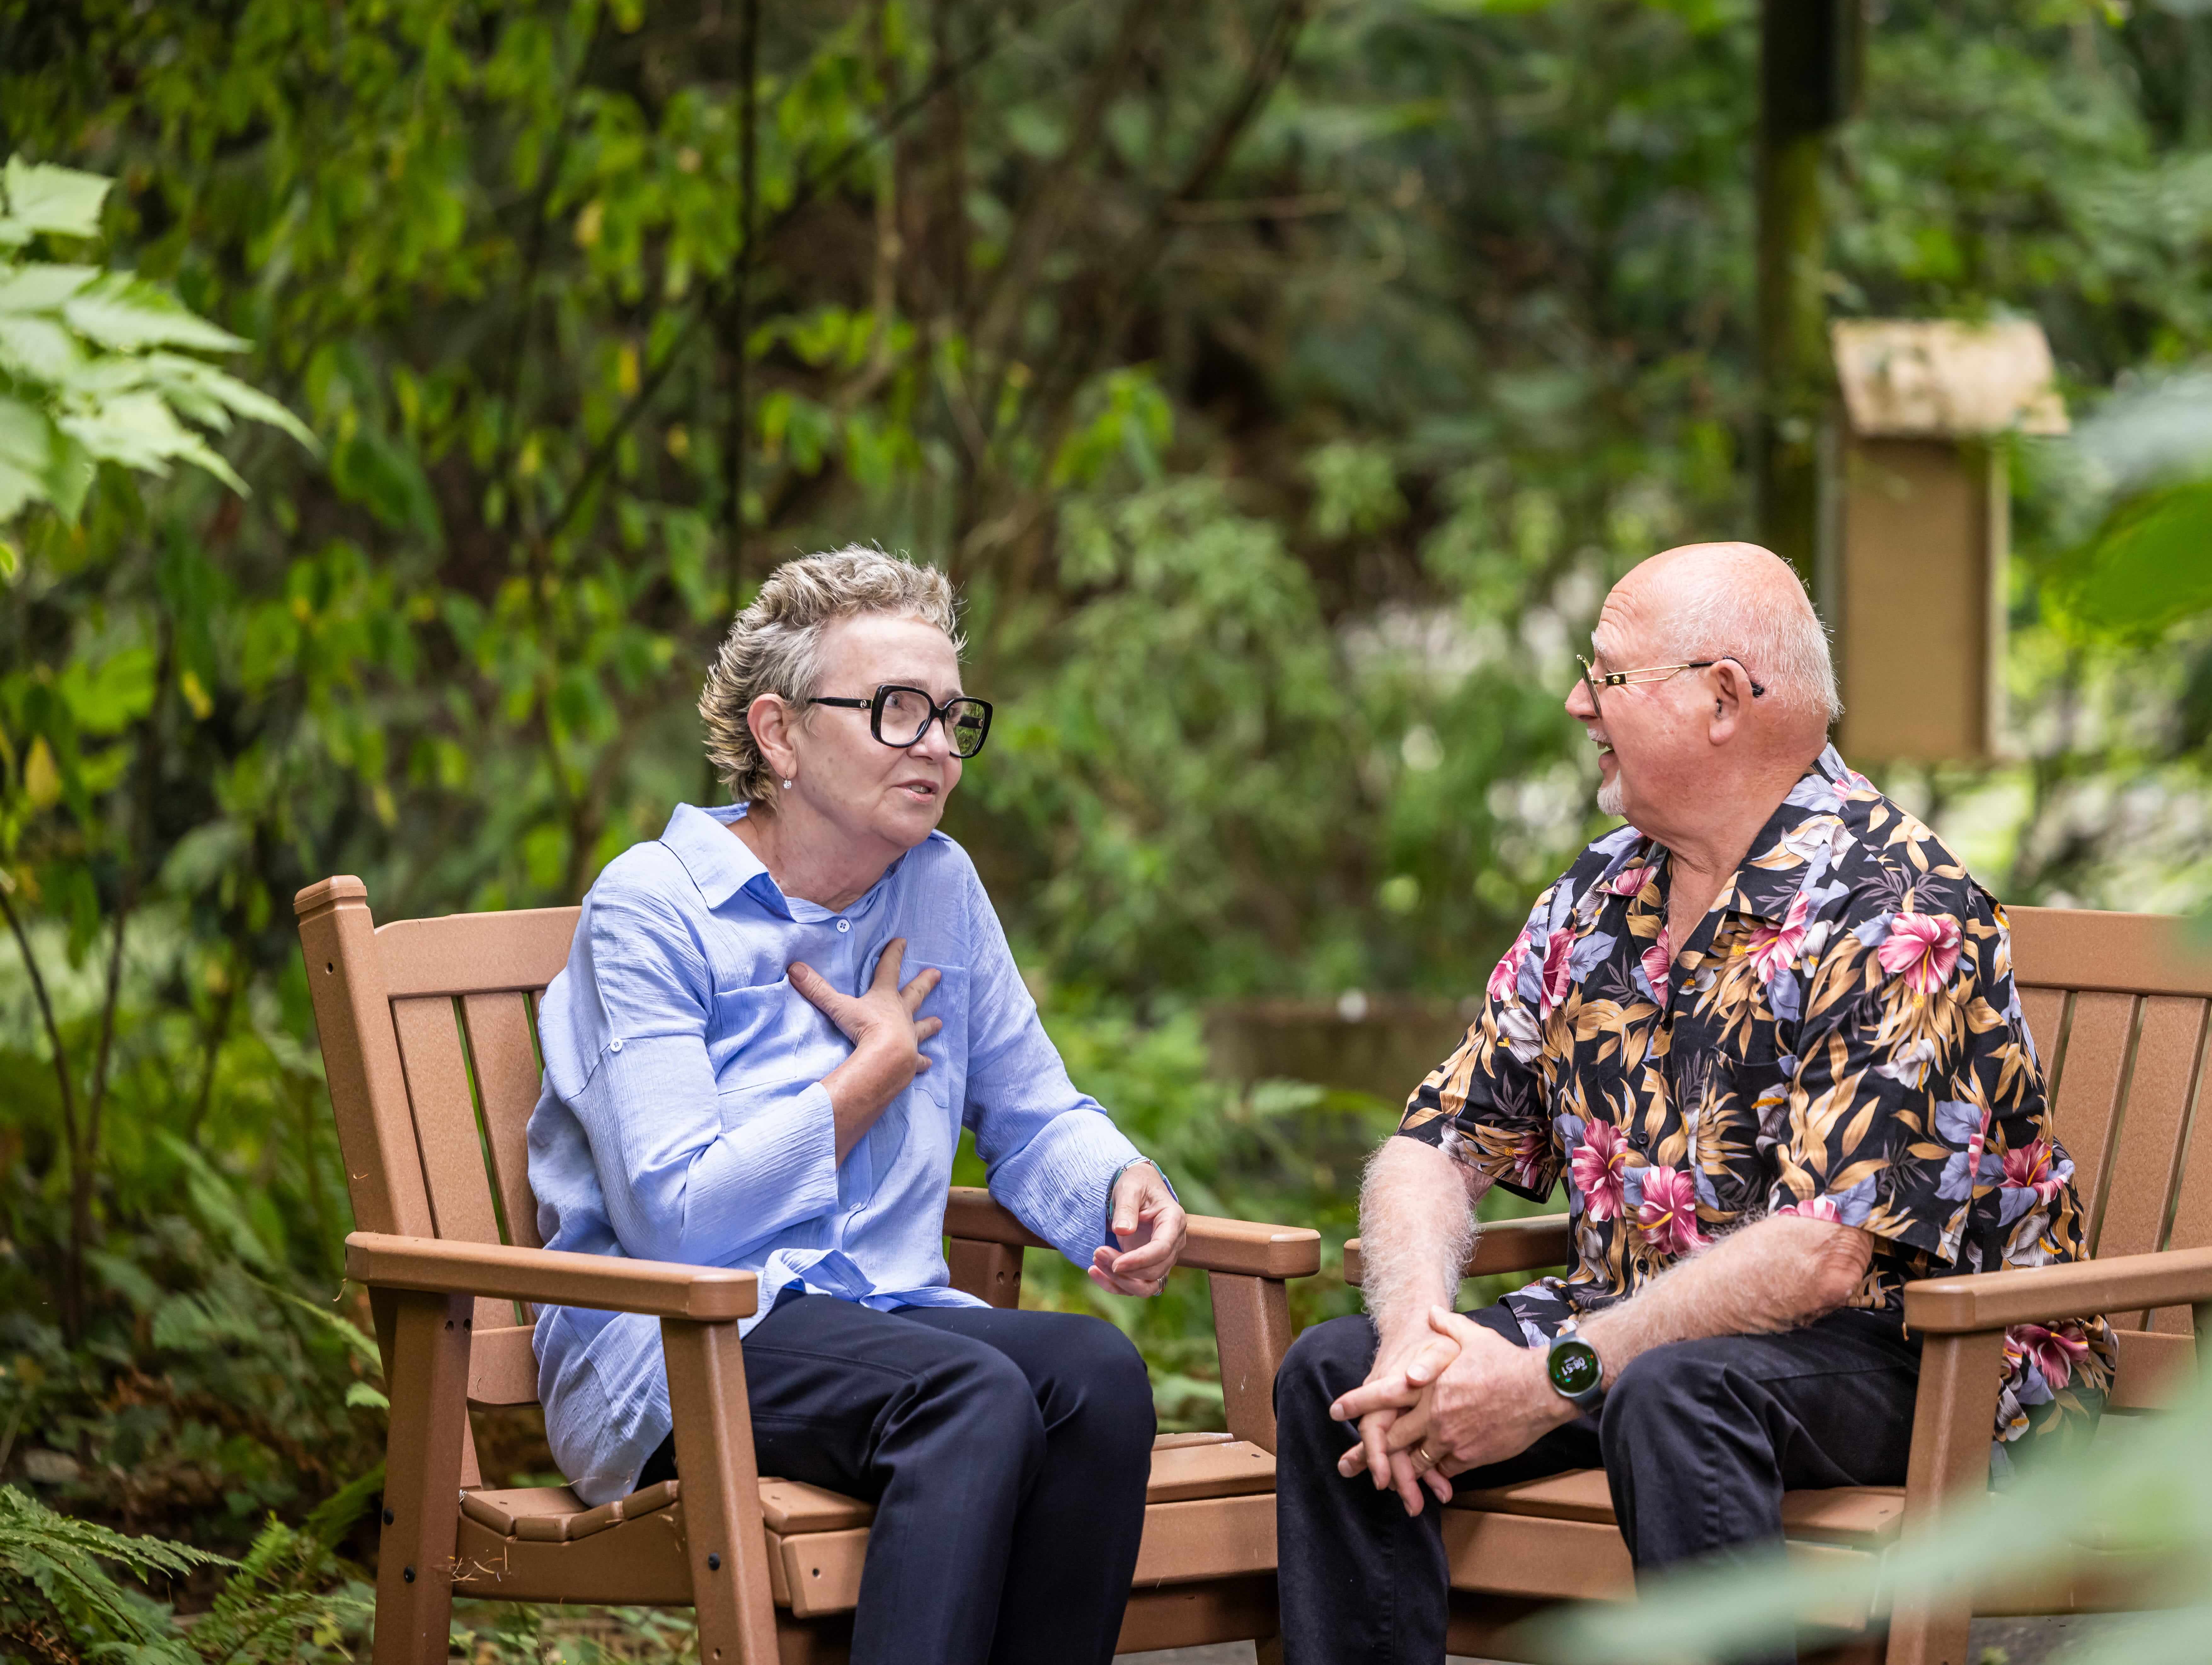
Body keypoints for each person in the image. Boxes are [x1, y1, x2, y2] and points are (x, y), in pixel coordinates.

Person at [1273, 543, 2114, 1665]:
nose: (1578, 702)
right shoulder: (1600, 895)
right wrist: (1416, 1331)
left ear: (1724, 699)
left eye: (1609, 677)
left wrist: (1548, 1381)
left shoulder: (1895, 907)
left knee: (1673, 1399)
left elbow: (1824, 1258)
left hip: (1929, 1361)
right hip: (1660, 1348)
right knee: (1341, 1380)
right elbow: (1436, 1141)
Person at [525, 545, 1183, 1665]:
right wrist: (864, 1081)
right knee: (968, 1395)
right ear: (779, 735)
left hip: (882, 1320)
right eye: (896, 710)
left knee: (1099, 1382)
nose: (936, 745)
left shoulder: (939, 886)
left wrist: (1120, 1181)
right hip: (677, 1343)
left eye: (950, 715)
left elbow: (1032, 1109)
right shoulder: (654, 908)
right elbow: (674, 1218)